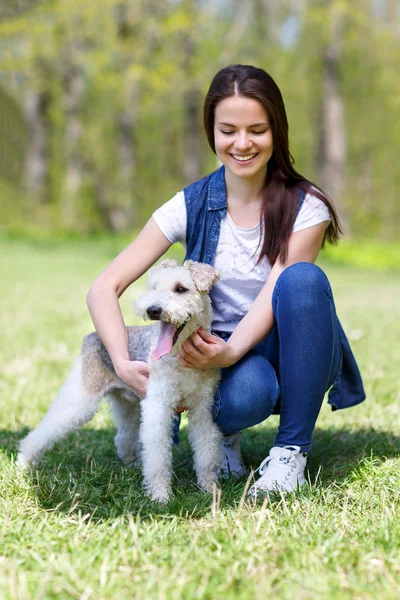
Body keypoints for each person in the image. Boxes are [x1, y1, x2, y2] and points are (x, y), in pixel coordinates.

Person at [87, 64, 365, 496]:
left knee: (303, 280)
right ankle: (226, 437)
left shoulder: (307, 206)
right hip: (217, 357)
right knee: (245, 393)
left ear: (277, 131)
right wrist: (124, 363)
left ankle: (290, 452)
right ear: (211, 132)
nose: (242, 143)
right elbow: (104, 287)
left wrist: (232, 350)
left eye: (257, 129)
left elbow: (279, 289)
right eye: (228, 130)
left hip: (292, 346)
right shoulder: (188, 204)